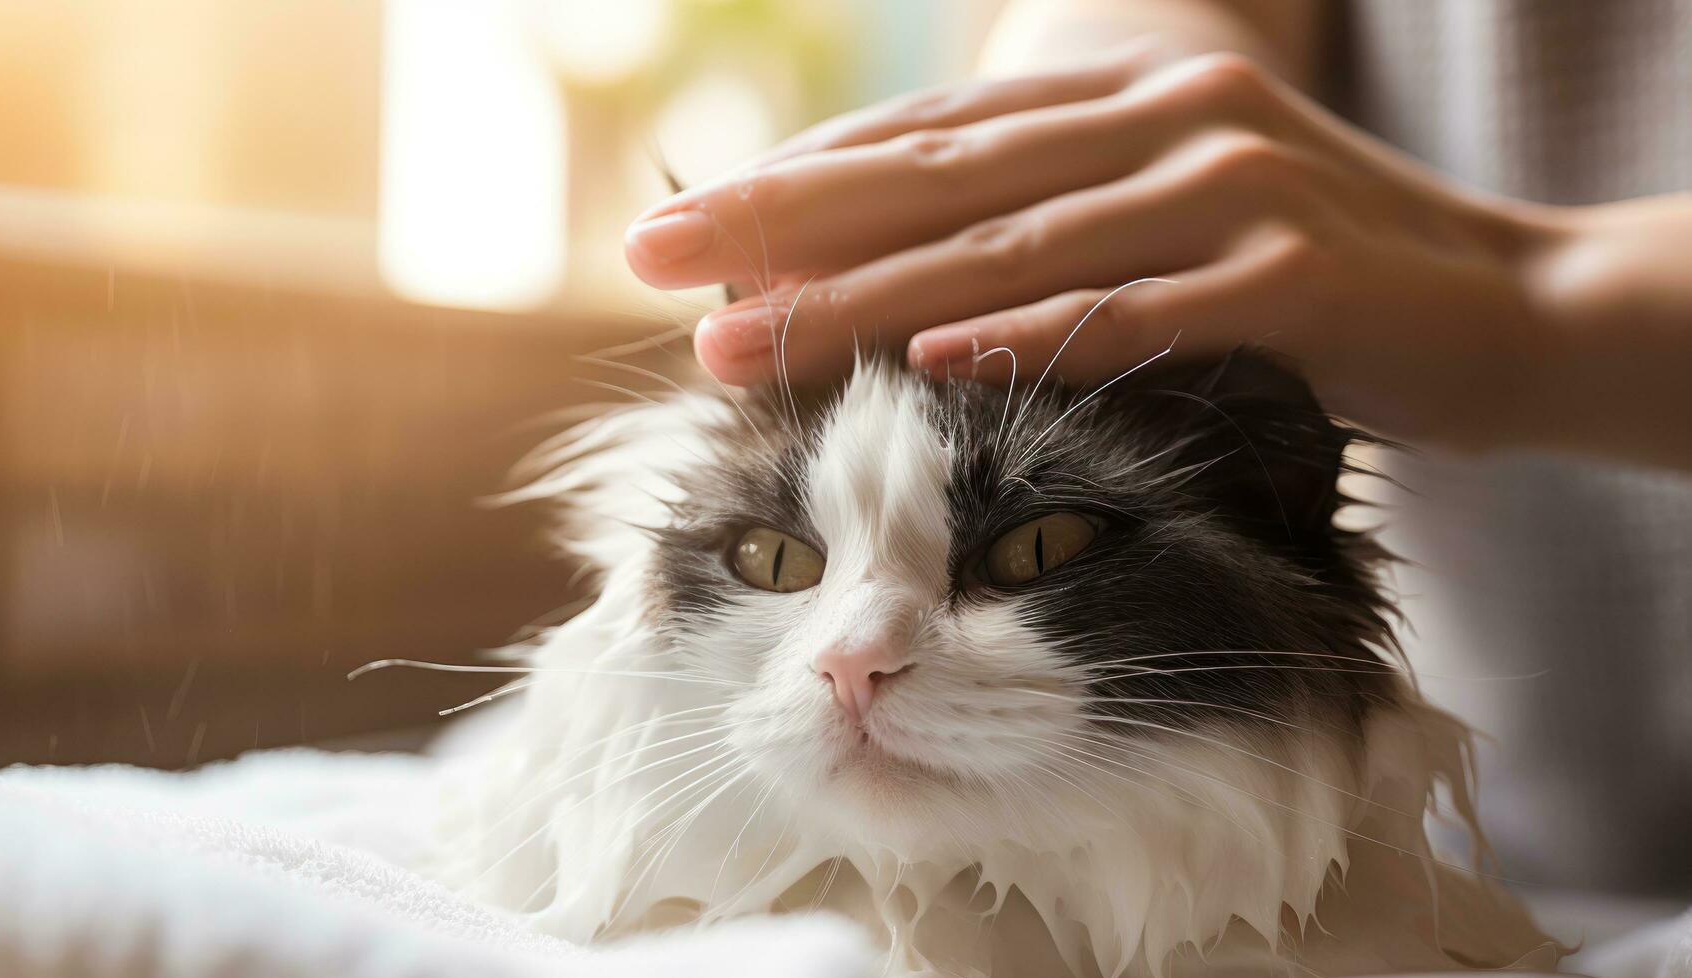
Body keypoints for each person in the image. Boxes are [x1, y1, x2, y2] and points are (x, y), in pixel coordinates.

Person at [624, 1, 1692, 894]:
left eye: (1032, 549)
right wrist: (1114, 33)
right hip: (1515, 850)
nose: (850, 656)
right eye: (781, 565)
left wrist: (1529, 307)